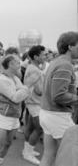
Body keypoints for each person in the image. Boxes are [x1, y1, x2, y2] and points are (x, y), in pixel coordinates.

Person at [39, 31, 78, 166]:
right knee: (70, 159)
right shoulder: (65, 64)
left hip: (47, 113)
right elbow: (59, 95)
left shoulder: (56, 62)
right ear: (70, 47)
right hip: (57, 116)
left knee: (49, 154)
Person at [0, 55, 30, 166]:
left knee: (8, 143)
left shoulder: (15, 78)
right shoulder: (2, 80)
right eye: (17, 63)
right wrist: (26, 88)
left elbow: (21, 94)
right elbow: (16, 98)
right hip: (3, 116)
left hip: (15, 115)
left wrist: (23, 90)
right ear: (10, 64)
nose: (20, 65)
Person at [22, 45, 46, 165]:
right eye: (43, 55)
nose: (45, 56)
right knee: (40, 128)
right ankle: (28, 152)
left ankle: (27, 150)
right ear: (36, 57)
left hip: (33, 102)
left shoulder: (33, 67)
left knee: (31, 127)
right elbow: (39, 91)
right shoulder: (35, 70)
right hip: (34, 103)